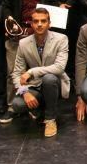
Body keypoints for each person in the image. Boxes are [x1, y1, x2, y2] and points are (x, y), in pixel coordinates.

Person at [0, 0, 61, 123]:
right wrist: (11, 25)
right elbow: (6, 5)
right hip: (17, 34)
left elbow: (53, 8)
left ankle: (38, 107)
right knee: (13, 72)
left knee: (40, 73)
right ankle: (12, 106)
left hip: (40, 34)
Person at [10, 8, 71, 138]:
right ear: (31, 24)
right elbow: (16, 73)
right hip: (36, 85)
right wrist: (24, 92)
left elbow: (59, 67)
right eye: (36, 21)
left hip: (55, 82)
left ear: (49, 23)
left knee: (49, 79)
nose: (39, 24)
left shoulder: (61, 39)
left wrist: (32, 71)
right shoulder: (23, 43)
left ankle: (50, 120)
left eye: (43, 21)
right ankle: (40, 109)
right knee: (17, 104)